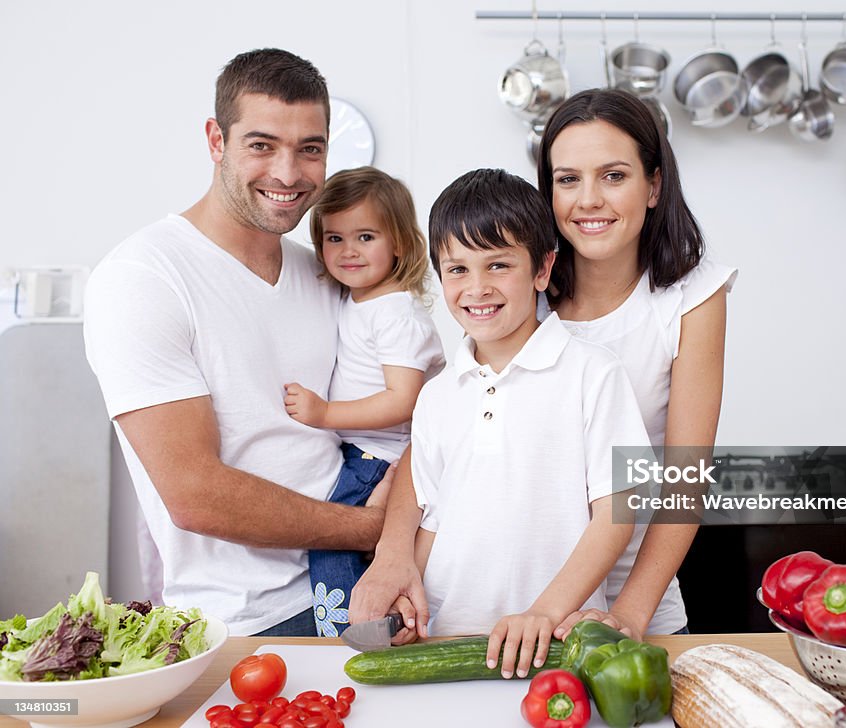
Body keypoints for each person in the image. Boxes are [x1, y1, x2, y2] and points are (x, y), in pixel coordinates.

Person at [350, 88, 736, 640]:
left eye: (614, 176)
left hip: (630, 588)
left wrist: (627, 613)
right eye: (568, 179)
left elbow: (684, 477)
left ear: (653, 185)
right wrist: (394, 554)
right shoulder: (510, 290)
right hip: (499, 606)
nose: (589, 200)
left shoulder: (688, 295)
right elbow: (442, 439)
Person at [83, 48, 389, 637]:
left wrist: (394, 543)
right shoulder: (143, 278)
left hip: (368, 587)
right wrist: (374, 530)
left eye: (310, 149)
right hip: (252, 620)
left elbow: (394, 416)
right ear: (216, 140)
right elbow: (196, 495)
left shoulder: (327, 273)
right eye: (261, 145)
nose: (288, 173)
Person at [392, 168, 647, 679]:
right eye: (457, 269)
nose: (477, 288)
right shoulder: (437, 394)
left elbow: (619, 509)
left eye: (498, 265)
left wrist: (546, 611)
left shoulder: (593, 373)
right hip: (451, 641)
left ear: (542, 268)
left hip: (555, 641)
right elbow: (434, 517)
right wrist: (409, 592)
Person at [282, 167, 445, 637]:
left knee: (331, 540)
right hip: (365, 453)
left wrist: (326, 414)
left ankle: (352, 636)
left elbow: (404, 398)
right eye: (333, 238)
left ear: (399, 243)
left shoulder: (395, 313)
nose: (347, 251)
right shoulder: (359, 300)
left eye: (366, 236)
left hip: (382, 456)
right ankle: (378, 625)